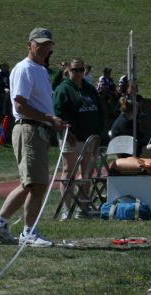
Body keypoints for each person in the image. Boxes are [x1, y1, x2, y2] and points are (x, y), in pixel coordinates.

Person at [0, 27, 66, 248]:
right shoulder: (25, 69)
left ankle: (2, 224)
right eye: (39, 43)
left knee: (34, 183)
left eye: (47, 44)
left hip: (38, 129)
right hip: (29, 128)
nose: (44, 48)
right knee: (34, 183)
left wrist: (52, 122)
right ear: (29, 44)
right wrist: (49, 118)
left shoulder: (40, 70)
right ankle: (24, 230)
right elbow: (20, 104)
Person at [53, 57, 103, 219]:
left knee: (87, 173)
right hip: (72, 138)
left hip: (90, 138)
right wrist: (69, 132)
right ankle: (66, 209)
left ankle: (83, 208)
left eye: (81, 69)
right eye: (75, 70)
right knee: (68, 172)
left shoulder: (89, 88)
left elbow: (100, 110)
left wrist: (99, 132)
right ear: (68, 70)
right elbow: (58, 112)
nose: (79, 73)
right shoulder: (63, 89)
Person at [109, 97, 151, 190]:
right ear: (134, 110)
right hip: (130, 155)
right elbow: (137, 142)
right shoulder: (127, 123)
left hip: (131, 151)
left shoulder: (124, 119)